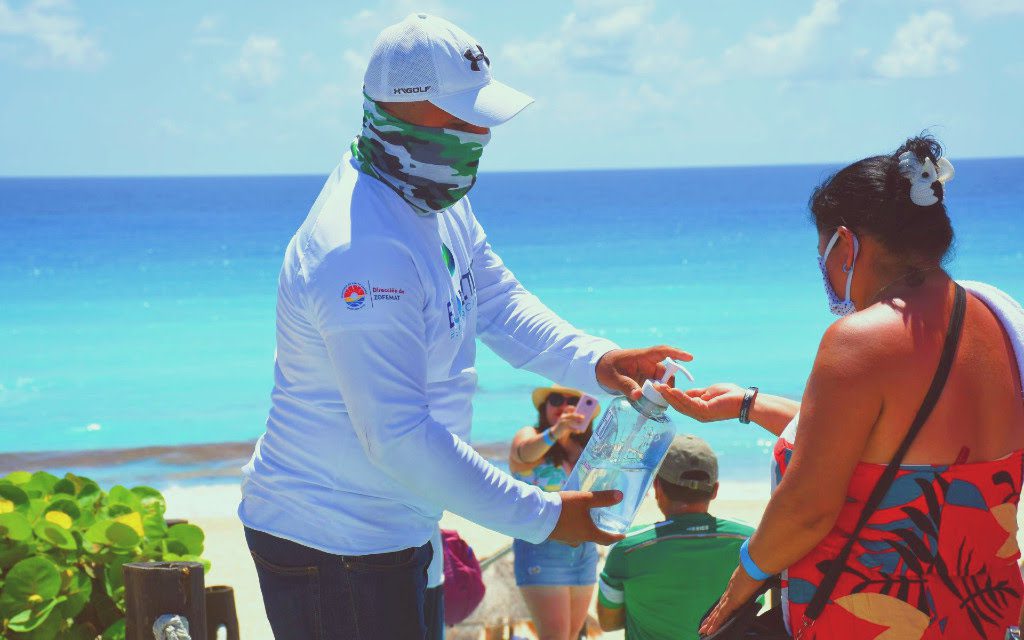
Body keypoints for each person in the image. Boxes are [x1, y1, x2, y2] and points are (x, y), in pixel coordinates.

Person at [237, 13, 691, 640]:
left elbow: (498, 302)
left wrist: (596, 360)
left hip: (401, 521)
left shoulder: (428, 194)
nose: (481, 133)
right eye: (463, 116)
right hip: (335, 543)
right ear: (400, 109)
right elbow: (399, 437)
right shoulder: (361, 250)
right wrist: (546, 516)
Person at [657, 136, 1024, 638]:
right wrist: (749, 404)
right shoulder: (995, 320)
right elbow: (892, 443)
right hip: (989, 614)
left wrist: (740, 585)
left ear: (846, 244)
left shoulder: (858, 341)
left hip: (877, 620)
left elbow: (808, 509)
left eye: (822, 255)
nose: (825, 273)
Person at [595, 435, 754, 640]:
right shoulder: (751, 541)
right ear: (715, 490)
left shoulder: (628, 548)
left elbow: (608, 622)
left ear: (657, 487)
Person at [509, 386, 599, 640]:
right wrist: (557, 431)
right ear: (544, 407)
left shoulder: (587, 449)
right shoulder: (531, 436)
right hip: (542, 547)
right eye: (557, 400)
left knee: (572, 636)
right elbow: (524, 453)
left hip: (584, 551)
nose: (564, 406)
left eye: (574, 401)